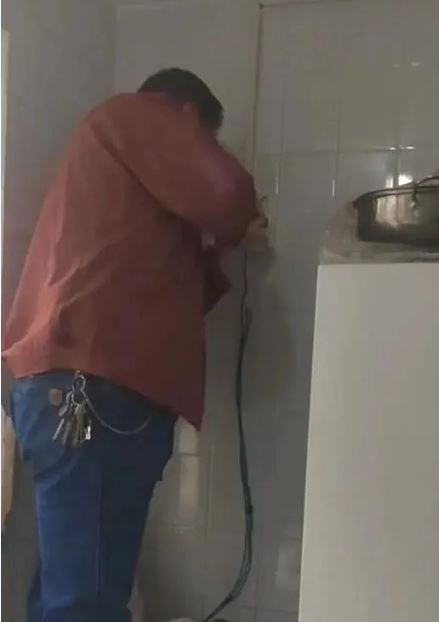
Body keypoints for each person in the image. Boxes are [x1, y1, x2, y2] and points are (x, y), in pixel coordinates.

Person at [2, 68, 266, 622]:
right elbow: (228, 193)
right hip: (91, 393)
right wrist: (241, 221)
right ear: (187, 117)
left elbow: (169, 291)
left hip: (71, 390)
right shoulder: (137, 115)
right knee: (86, 600)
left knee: (71, 589)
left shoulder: (116, 177)